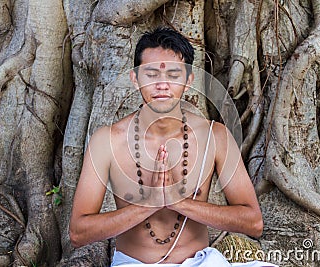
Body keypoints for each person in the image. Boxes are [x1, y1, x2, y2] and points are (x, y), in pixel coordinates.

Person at [69, 27, 267, 266]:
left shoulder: (215, 137)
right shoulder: (107, 141)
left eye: (173, 75)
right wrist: (149, 204)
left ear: (189, 80)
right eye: (151, 74)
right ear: (135, 79)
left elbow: (253, 223)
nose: (162, 85)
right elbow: (78, 233)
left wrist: (180, 203)